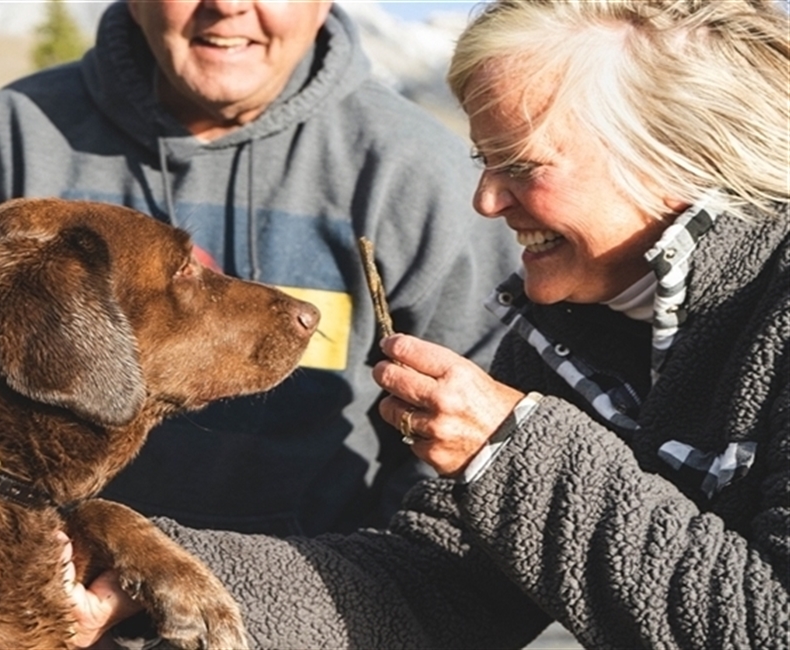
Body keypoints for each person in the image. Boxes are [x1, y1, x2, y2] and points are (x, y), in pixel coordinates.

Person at [66, 0, 790, 647]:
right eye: (483, 159)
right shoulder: (562, 334)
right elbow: (436, 587)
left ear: (681, 153)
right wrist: (148, 572)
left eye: (520, 163)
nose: (484, 200)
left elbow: (767, 621)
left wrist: (512, 448)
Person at [0, 0, 519, 537]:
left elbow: (468, 444)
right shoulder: (21, 134)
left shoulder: (414, 169)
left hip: (323, 599)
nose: (228, 7)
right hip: (53, 594)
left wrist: (375, 601)